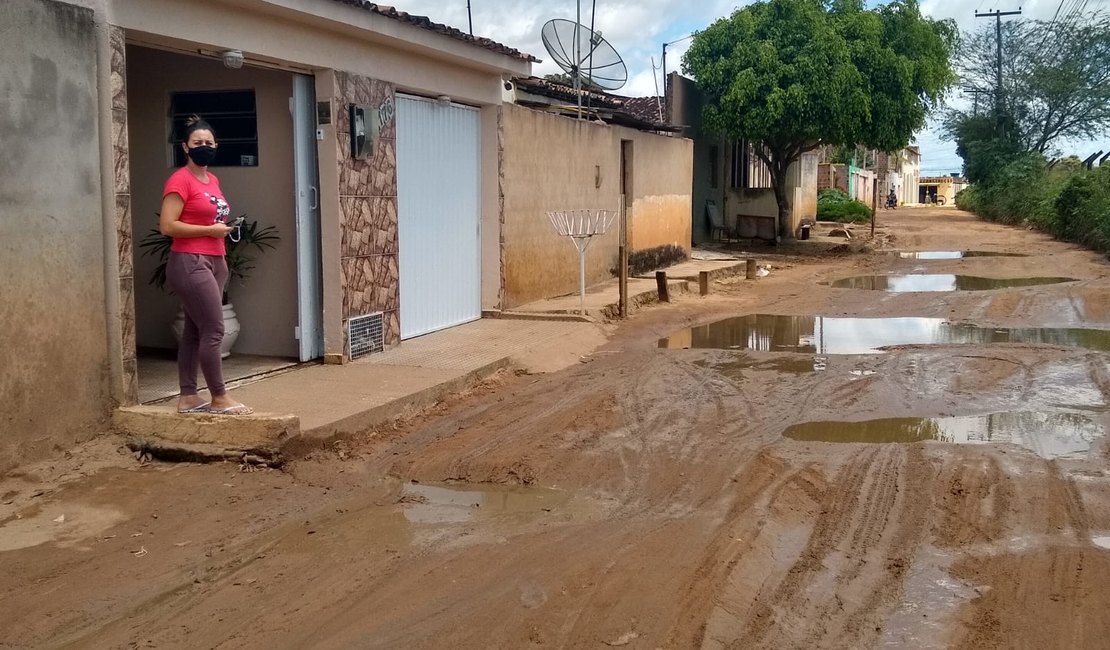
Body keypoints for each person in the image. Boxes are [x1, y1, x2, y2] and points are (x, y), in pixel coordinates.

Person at [160, 115, 253, 416]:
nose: (204, 147)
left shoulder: (212, 180)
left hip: (215, 259)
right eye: (197, 143)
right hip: (190, 261)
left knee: (194, 331)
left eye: (208, 143)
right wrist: (209, 232)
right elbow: (168, 226)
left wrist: (221, 232)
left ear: (217, 146)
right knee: (214, 329)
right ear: (185, 147)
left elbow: (212, 217)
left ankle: (188, 396)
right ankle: (219, 397)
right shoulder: (179, 180)